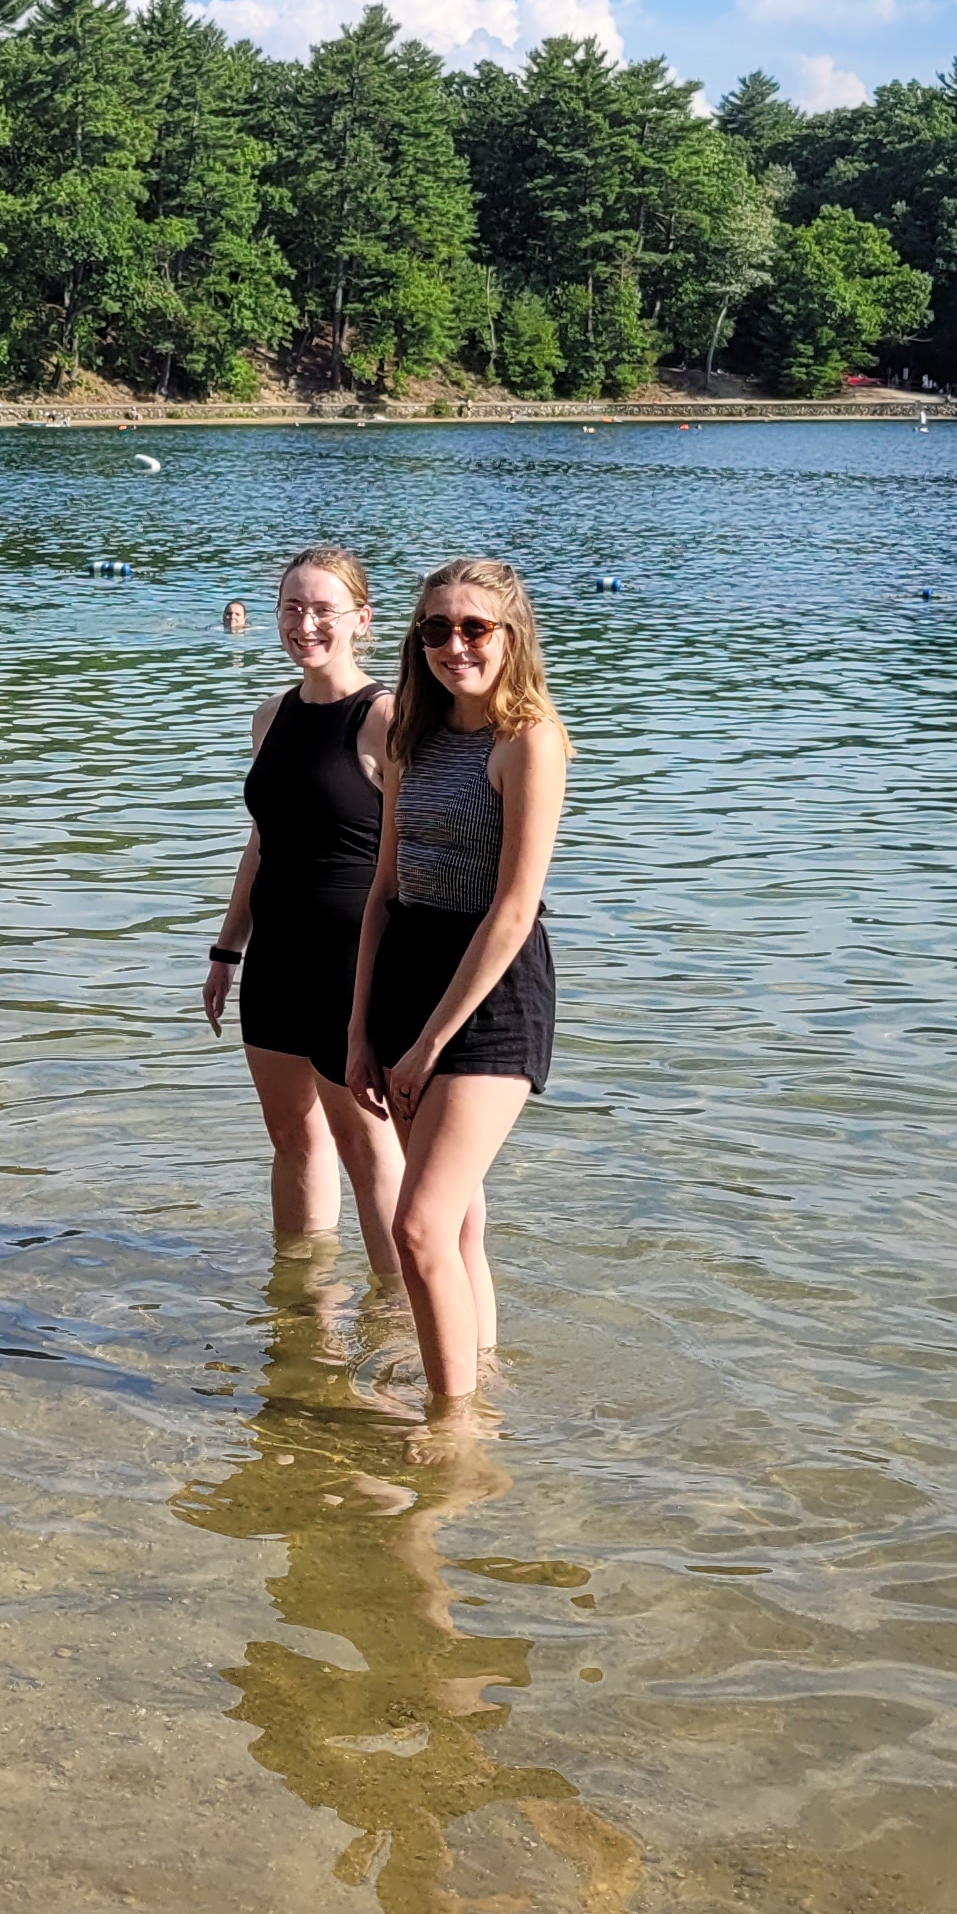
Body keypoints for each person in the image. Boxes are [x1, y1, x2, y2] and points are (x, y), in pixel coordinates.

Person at [347, 559, 569, 1407]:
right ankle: (476, 1382)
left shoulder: (528, 741)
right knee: (458, 1220)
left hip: (491, 993)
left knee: (417, 1225)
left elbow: (512, 910)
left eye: (474, 628)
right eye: (435, 629)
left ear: (511, 635)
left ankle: (453, 1428)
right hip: (407, 974)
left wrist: (430, 1043)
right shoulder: (414, 736)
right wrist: (360, 1032)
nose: (454, 646)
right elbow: (384, 889)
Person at [206, 547, 406, 1249]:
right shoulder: (270, 716)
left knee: (368, 1151)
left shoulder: (386, 719)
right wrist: (227, 949)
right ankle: (303, 1297)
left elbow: (409, 858)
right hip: (276, 960)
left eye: (324, 609)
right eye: (292, 608)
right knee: (292, 1138)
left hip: (354, 963)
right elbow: (262, 843)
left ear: (361, 620)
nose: (306, 623)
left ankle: (393, 1305)